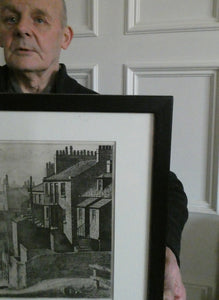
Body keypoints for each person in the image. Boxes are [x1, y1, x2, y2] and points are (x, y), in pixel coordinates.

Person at [0, 0, 188, 298]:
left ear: (65, 37)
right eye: (11, 18)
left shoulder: (100, 116)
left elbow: (168, 187)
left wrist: (164, 253)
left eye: (39, 20)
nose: (22, 28)